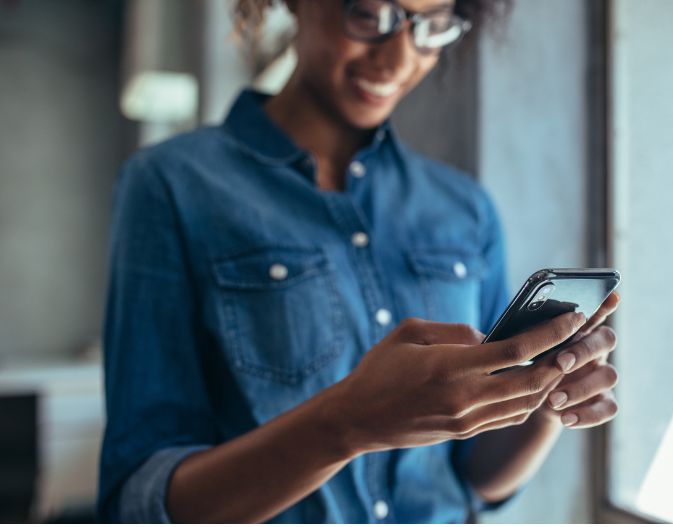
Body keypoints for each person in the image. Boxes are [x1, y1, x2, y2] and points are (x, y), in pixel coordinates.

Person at [97, 0, 621, 522]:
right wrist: (346, 423)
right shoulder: (172, 186)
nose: (397, 61)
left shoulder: (464, 209)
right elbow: (141, 503)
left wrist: (544, 395)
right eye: (369, 15)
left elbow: (473, 479)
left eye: (431, 27)